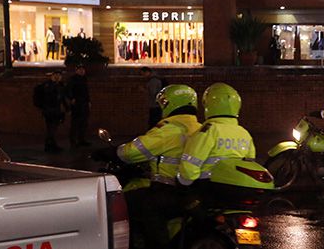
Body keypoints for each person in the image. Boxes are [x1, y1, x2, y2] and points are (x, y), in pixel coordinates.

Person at [110, 85, 202, 249]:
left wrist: (113, 152)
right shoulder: (200, 128)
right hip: (191, 190)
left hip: (167, 189)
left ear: (169, 104)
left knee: (123, 203)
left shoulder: (169, 129)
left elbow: (133, 151)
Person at [177, 83, 255, 188]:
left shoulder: (208, 131)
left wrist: (184, 182)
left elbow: (189, 168)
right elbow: (250, 163)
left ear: (208, 105)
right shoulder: (244, 133)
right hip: (236, 186)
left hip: (208, 187)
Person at [37, 71, 67, 153]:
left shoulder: (60, 85)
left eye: (59, 75)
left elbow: (62, 98)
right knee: (51, 128)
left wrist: (66, 108)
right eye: (56, 75)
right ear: (52, 76)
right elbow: (48, 96)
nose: (58, 77)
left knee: (53, 128)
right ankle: (49, 146)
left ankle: (51, 145)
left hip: (57, 110)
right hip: (49, 110)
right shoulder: (48, 85)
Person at [66, 64, 91, 147]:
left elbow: (86, 92)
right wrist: (72, 98)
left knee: (83, 123)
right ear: (76, 70)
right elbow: (69, 90)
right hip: (77, 104)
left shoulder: (84, 79)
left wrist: (88, 101)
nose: (82, 71)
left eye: (83, 69)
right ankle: (73, 141)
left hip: (84, 103)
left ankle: (81, 139)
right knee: (75, 123)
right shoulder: (73, 79)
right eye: (80, 69)